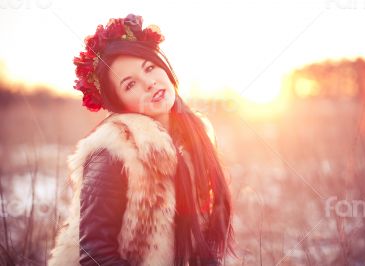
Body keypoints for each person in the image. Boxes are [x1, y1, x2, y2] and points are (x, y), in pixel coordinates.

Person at [48, 13, 236, 266]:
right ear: (120, 104)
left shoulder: (196, 134)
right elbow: (95, 254)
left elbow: (201, 233)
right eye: (130, 85)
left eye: (149, 68)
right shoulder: (112, 150)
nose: (149, 83)